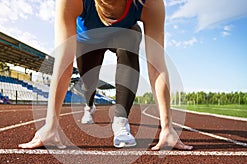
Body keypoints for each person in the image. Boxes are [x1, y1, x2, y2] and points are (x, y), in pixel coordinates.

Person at [19, 0, 193, 150]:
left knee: (131, 40)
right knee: (88, 83)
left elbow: (156, 66)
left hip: (124, 33)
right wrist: (50, 125)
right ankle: (89, 106)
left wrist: (167, 126)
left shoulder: (149, 3)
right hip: (87, 39)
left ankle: (121, 120)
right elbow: (64, 64)